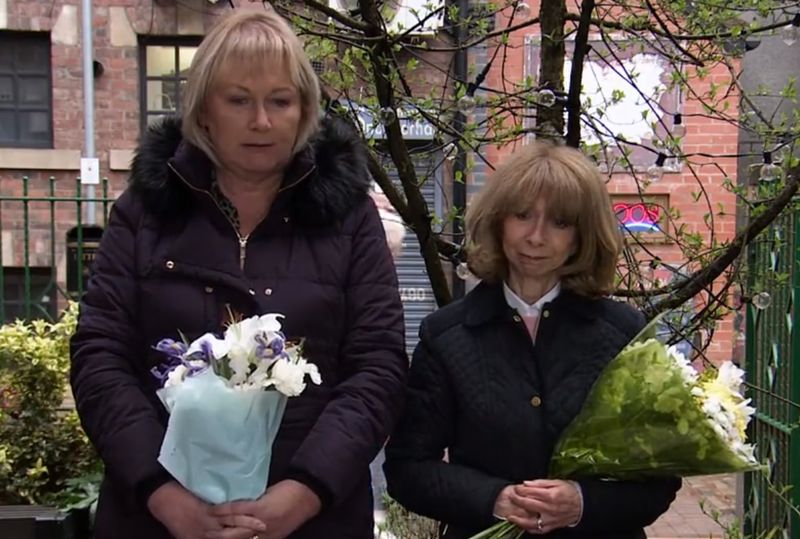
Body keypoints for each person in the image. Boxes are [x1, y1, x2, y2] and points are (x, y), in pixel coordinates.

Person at [70, 9, 407, 539]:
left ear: (304, 111)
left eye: (280, 100)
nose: (261, 121)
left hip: (313, 520)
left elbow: (377, 367)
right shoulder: (146, 209)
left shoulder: (350, 217)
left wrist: (302, 493)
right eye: (239, 100)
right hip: (158, 518)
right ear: (204, 110)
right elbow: (99, 356)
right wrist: (163, 494)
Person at [383, 141, 681, 539]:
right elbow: (407, 469)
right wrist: (496, 498)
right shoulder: (447, 336)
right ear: (498, 220)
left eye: (559, 222)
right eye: (523, 215)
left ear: (581, 235)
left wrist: (581, 501)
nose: (536, 237)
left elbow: (659, 479)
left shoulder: (624, 334)